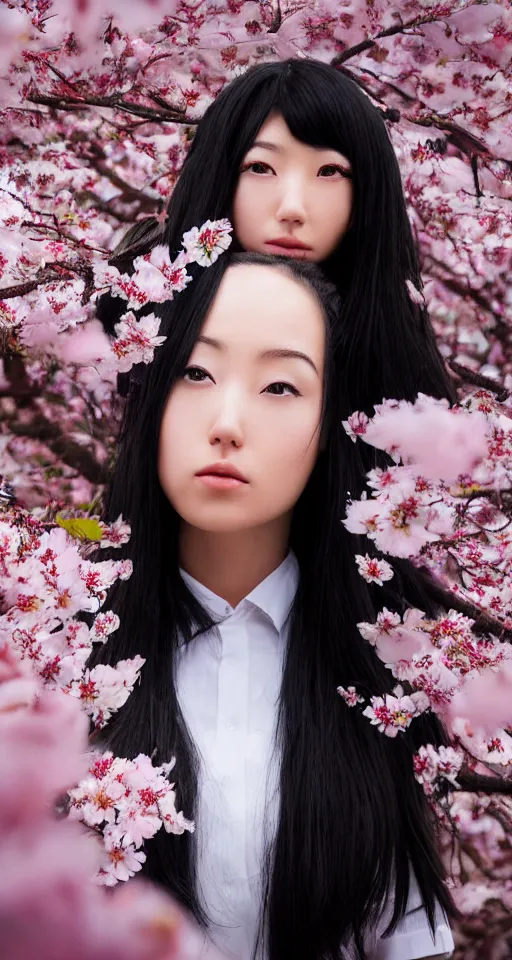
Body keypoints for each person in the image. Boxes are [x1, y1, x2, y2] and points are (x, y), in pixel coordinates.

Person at [89, 251, 455, 960]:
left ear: (333, 427)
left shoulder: (382, 679)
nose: (227, 422)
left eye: (281, 386)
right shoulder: (48, 653)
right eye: (196, 371)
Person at [97, 57, 456, 417]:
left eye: (330, 171)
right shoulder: (146, 309)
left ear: (367, 192)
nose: (293, 207)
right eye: (260, 167)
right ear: (221, 176)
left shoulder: (393, 366)